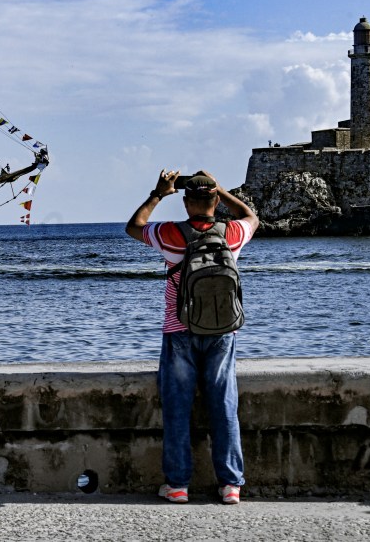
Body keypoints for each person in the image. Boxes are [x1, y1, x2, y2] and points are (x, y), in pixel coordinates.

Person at [125, 170, 258, 506]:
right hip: (223, 331)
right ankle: (230, 485)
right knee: (224, 405)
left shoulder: (171, 234)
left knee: (177, 408)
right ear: (215, 201)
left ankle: (178, 485)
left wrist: (158, 193)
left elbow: (133, 226)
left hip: (179, 330)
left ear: (186, 203)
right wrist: (222, 189)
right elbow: (251, 217)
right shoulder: (232, 233)